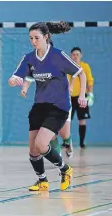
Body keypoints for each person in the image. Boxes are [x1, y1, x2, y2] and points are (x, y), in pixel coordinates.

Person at [8, 21, 87, 191]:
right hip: (39, 106)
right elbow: (16, 76)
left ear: (46, 37)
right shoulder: (29, 58)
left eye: (36, 38)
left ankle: (65, 170)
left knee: (42, 144)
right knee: (33, 150)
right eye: (31, 38)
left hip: (59, 107)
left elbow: (81, 74)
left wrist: (82, 95)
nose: (33, 41)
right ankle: (42, 180)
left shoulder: (58, 55)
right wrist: (14, 80)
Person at [21, 78, 74, 159]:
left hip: (62, 103)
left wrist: (71, 86)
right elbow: (28, 77)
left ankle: (67, 141)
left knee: (64, 134)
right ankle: (58, 156)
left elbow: (77, 72)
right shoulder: (37, 67)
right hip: (46, 104)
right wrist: (24, 89)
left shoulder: (62, 66)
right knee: (49, 132)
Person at [68, 47, 94, 148]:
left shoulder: (85, 66)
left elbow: (90, 81)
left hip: (82, 97)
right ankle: (66, 142)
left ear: (81, 55)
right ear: (71, 56)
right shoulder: (68, 67)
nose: (75, 56)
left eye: (77, 54)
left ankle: (81, 143)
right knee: (67, 120)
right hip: (70, 97)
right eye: (73, 54)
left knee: (82, 120)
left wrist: (90, 94)